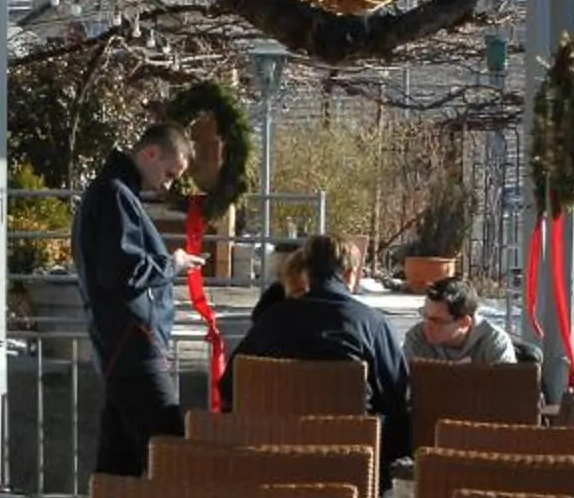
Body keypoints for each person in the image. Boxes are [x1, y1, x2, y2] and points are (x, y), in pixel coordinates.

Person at [72, 120, 196, 478]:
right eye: (169, 174)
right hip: (134, 343)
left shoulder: (113, 193)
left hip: (122, 342)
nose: (167, 185)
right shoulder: (115, 195)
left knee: (119, 461)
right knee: (172, 456)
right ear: (151, 153)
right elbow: (121, 271)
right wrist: (172, 264)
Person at [225, 234, 411, 469]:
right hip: (348, 461)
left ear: (306, 272)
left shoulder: (272, 319)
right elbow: (396, 395)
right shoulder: (371, 324)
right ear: (349, 274)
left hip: (272, 457)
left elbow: (230, 386)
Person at [401, 275, 518, 368]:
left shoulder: (494, 342)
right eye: (424, 315)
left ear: (464, 323)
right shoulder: (416, 337)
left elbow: (507, 387)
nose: (427, 325)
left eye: (436, 321)